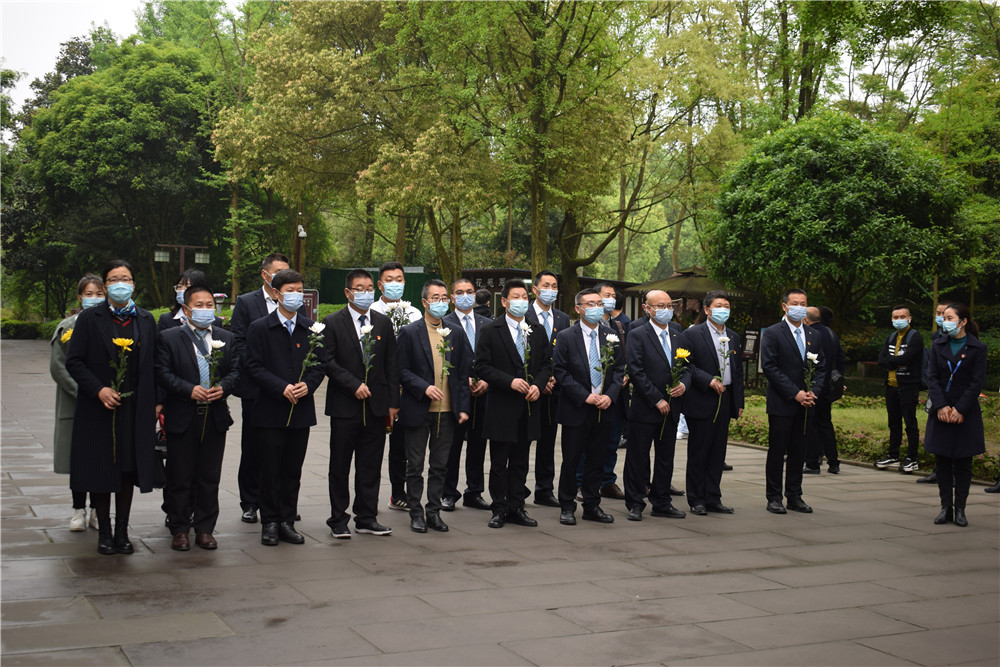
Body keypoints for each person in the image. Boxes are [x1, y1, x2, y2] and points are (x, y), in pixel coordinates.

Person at [65, 260, 159, 555]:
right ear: (105, 286)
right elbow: (74, 361)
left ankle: (122, 531)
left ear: (133, 284)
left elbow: (155, 364)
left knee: (128, 471)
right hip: (98, 409)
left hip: (134, 408)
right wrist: (99, 389)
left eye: (126, 279)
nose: (121, 284)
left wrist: (157, 402)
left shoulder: (145, 320)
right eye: (114, 279)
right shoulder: (89, 319)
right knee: (101, 469)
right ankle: (104, 531)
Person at [242, 269, 326, 546]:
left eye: (300, 290)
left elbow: (319, 364)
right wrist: (280, 387)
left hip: (300, 411)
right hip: (269, 410)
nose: (296, 295)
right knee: (269, 469)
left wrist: (308, 385)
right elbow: (253, 365)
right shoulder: (260, 328)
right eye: (290, 291)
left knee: (292, 470)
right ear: (277, 293)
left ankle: (287, 521)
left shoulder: (311, 328)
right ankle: (270, 522)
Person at [155, 285, 240, 551]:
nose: (205, 310)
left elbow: (236, 370)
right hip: (182, 415)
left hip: (214, 416)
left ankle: (205, 529)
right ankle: (179, 528)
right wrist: (188, 389)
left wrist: (223, 388)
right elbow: (162, 373)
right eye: (199, 305)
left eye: (209, 305)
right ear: (187, 309)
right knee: (179, 476)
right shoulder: (169, 338)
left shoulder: (227, 337)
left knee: (209, 476)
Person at [322, 269, 399, 538]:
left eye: (369, 289)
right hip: (345, 407)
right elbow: (327, 361)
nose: (365, 293)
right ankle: (338, 519)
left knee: (370, 465)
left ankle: (366, 517)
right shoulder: (332, 322)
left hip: (376, 407)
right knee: (340, 465)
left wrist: (393, 403)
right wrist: (352, 384)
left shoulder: (383, 323)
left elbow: (392, 364)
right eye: (359, 288)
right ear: (348, 292)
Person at [474, 279, 552, 528]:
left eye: (524, 297)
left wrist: (538, 385)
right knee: (499, 462)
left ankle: (517, 506)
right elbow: (482, 366)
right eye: (515, 297)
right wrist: (510, 382)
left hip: (528, 405)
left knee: (521, 461)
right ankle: (499, 508)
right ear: (505, 302)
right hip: (501, 405)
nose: (521, 301)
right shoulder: (490, 330)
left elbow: (546, 364)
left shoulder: (537, 330)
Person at [397, 280, 471, 533]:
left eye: (444, 298)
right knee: (415, 465)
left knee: (440, 465)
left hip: (447, 412)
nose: (440, 302)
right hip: (418, 409)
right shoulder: (409, 332)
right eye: (435, 298)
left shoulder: (455, 332)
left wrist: (463, 407)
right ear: (425, 302)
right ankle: (416, 513)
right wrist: (423, 387)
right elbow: (401, 370)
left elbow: (462, 373)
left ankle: (433, 511)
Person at [554, 288, 626, 525]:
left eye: (599, 303)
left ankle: (592, 505)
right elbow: (561, 371)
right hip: (577, 408)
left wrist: (610, 396)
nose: (597, 308)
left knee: (597, 459)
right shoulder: (566, 336)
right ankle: (567, 506)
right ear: (578, 309)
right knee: (572, 459)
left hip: (604, 408)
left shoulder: (610, 335)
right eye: (590, 304)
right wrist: (585, 396)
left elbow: (619, 370)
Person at [229, 252, 290, 524]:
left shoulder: (292, 300)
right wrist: (264, 371)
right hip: (255, 387)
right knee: (253, 446)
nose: (284, 277)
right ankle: (250, 502)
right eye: (279, 272)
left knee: (283, 449)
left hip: (286, 388)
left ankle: (279, 503)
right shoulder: (246, 302)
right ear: (265, 275)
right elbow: (238, 342)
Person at [678, 290, 745, 516]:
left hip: (725, 399)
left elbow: (737, 371)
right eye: (718, 306)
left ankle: (713, 497)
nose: (723, 310)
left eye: (726, 306)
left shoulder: (733, 336)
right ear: (707, 310)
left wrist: (738, 402)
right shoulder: (693, 334)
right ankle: (696, 499)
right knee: (699, 452)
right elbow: (686, 364)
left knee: (718, 452)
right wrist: (708, 380)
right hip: (702, 398)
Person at [624, 289, 687, 521]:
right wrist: (656, 398)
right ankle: (635, 502)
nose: (666, 310)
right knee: (638, 457)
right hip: (645, 407)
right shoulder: (638, 334)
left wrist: (684, 384)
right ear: (647, 308)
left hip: (672, 407)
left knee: (665, 457)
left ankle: (661, 501)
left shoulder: (678, 333)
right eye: (660, 306)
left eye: (669, 306)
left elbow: (687, 366)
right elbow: (636, 371)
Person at [760, 288, 825, 514]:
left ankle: (795, 496)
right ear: (785, 306)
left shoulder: (814, 335)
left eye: (803, 303)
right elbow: (770, 367)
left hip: (806, 404)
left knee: (799, 451)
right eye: (795, 303)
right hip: (782, 402)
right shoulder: (773, 333)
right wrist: (795, 393)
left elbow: (821, 367)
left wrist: (813, 391)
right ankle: (774, 497)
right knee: (777, 451)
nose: (799, 307)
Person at [51, 274, 106, 532]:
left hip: (104, 402)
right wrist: (83, 391)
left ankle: (97, 510)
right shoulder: (67, 327)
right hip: (76, 402)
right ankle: (78, 509)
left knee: (101, 459)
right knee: (78, 460)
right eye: (89, 294)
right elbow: (58, 367)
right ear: (80, 297)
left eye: (99, 294)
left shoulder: (111, 325)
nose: (94, 298)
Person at [924, 303, 987, 527]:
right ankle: (945, 508)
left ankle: (960, 508)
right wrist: (941, 406)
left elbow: (976, 382)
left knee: (963, 462)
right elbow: (932, 378)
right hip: (941, 412)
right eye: (944, 317)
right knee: (941, 461)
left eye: (950, 318)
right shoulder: (938, 345)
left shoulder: (977, 348)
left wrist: (960, 409)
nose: (945, 321)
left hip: (965, 413)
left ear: (963, 321)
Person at [370, 261, 422, 512]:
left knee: (403, 445)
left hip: (408, 389)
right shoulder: (371, 312)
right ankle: (368, 500)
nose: (394, 284)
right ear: (380, 285)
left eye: (399, 279)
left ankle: (399, 493)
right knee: (374, 444)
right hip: (380, 389)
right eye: (389, 280)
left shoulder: (414, 313)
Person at [441, 277, 492, 511]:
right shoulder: (444, 323)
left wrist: (487, 381)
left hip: (483, 393)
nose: (465, 296)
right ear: (452, 297)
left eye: (469, 292)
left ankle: (474, 491)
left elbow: (495, 357)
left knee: (478, 445)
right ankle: (448, 492)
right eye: (460, 292)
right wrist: (463, 380)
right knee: (452, 446)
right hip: (455, 394)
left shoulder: (487, 323)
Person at [524, 270, 571, 507]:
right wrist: (538, 382)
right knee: (522, 442)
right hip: (528, 388)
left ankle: (544, 489)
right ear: (535, 289)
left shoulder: (562, 318)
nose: (550, 290)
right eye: (546, 285)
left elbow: (564, 353)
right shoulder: (523, 314)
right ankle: (517, 489)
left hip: (554, 389)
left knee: (548, 442)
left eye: (554, 286)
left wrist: (552, 379)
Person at [876, 305, 924, 474]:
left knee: (910, 423)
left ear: (909, 318)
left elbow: (907, 358)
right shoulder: (891, 337)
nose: (898, 320)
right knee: (893, 423)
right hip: (891, 386)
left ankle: (912, 458)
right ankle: (893, 455)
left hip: (908, 386)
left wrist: (892, 361)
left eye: (902, 317)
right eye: (895, 317)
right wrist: (896, 361)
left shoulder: (915, 337)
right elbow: (881, 360)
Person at [803, 306, 845, 474]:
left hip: (813, 386)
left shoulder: (810, 335)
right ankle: (833, 462)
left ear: (806, 320)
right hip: (828, 386)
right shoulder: (831, 333)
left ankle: (812, 462)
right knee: (826, 424)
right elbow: (840, 358)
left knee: (811, 424)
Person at [917, 302, 950, 485]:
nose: (940, 317)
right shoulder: (936, 336)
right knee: (936, 432)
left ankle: (952, 472)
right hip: (936, 391)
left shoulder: (963, 339)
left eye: (944, 313)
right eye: (938, 313)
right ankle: (938, 471)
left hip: (952, 393)